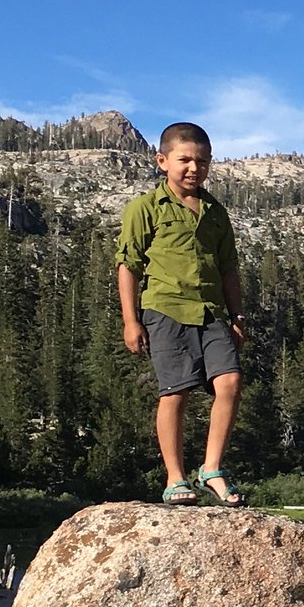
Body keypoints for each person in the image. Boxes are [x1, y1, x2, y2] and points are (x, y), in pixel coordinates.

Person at [117, 122, 247, 505]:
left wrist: (237, 316)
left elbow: (229, 270)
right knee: (175, 392)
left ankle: (212, 469)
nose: (194, 168)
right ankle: (175, 478)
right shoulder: (144, 209)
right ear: (162, 161)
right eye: (184, 160)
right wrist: (131, 320)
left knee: (230, 384)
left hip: (212, 313)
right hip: (165, 309)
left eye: (202, 161)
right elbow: (129, 266)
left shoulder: (216, 213)